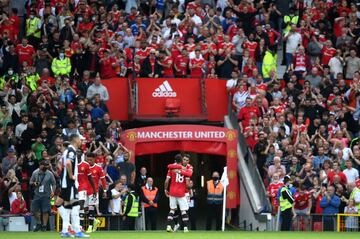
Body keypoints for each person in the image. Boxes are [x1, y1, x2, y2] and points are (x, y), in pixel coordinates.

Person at [59, 134, 89, 238]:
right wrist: (71, 175)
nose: (81, 141)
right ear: (76, 139)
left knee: (68, 206)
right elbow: (68, 163)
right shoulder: (71, 150)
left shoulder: (68, 150)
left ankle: (65, 231)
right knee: (75, 206)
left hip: (65, 183)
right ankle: (77, 231)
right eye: (81, 139)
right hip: (69, 183)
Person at [164, 154, 192, 233]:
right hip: (181, 193)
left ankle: (168, 226)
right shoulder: (185, 169)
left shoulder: (171, 169)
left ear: (175, 160)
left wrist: (165, 190)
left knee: (172, 210)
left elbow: (166, 181)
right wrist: (188, 189)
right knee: (183, 211)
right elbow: (187, 181)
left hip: (172, 192)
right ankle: (185, 228)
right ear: (182, 160)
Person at [29, 159, 56, 232]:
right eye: (45, 165)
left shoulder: (50, 173)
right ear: (40, 165)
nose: (46, 166)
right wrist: (34, 183)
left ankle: (44, 226)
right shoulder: (35, 172)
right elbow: (30, 182)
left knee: (46, 211)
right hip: (37, 194)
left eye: (47, 165)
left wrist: (53, 191)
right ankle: (38, 223)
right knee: (34, 210)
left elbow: (54, 183)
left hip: (46, 195)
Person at [86, 152, 108, 233]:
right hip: (85, 191)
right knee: (85, 209)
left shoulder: (98, 168)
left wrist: (105, 191)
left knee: (91, 208)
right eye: (87, 159)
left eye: (90, 160)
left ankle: (90, 227)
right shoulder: (84, 167)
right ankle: (95, 220)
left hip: (94, 191)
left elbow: (103, 180)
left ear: (94, 159)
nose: (89, 161)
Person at [77, 153, 96, 230]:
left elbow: (90, 178)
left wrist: (94, 190)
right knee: (80, 208)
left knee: (82, 205)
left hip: (84, 187)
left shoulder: (85, 165)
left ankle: (82, 226)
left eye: (78, 153)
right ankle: (76, 225)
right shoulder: (71, 164)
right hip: (75, 187)